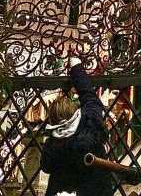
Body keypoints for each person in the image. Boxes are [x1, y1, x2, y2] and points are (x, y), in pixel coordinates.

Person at [40, 55, 110, 196]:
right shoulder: (90, 125)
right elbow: (89, 96)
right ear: (75, 112)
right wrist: (77, 68)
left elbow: (46, 167)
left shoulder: (52, 146)